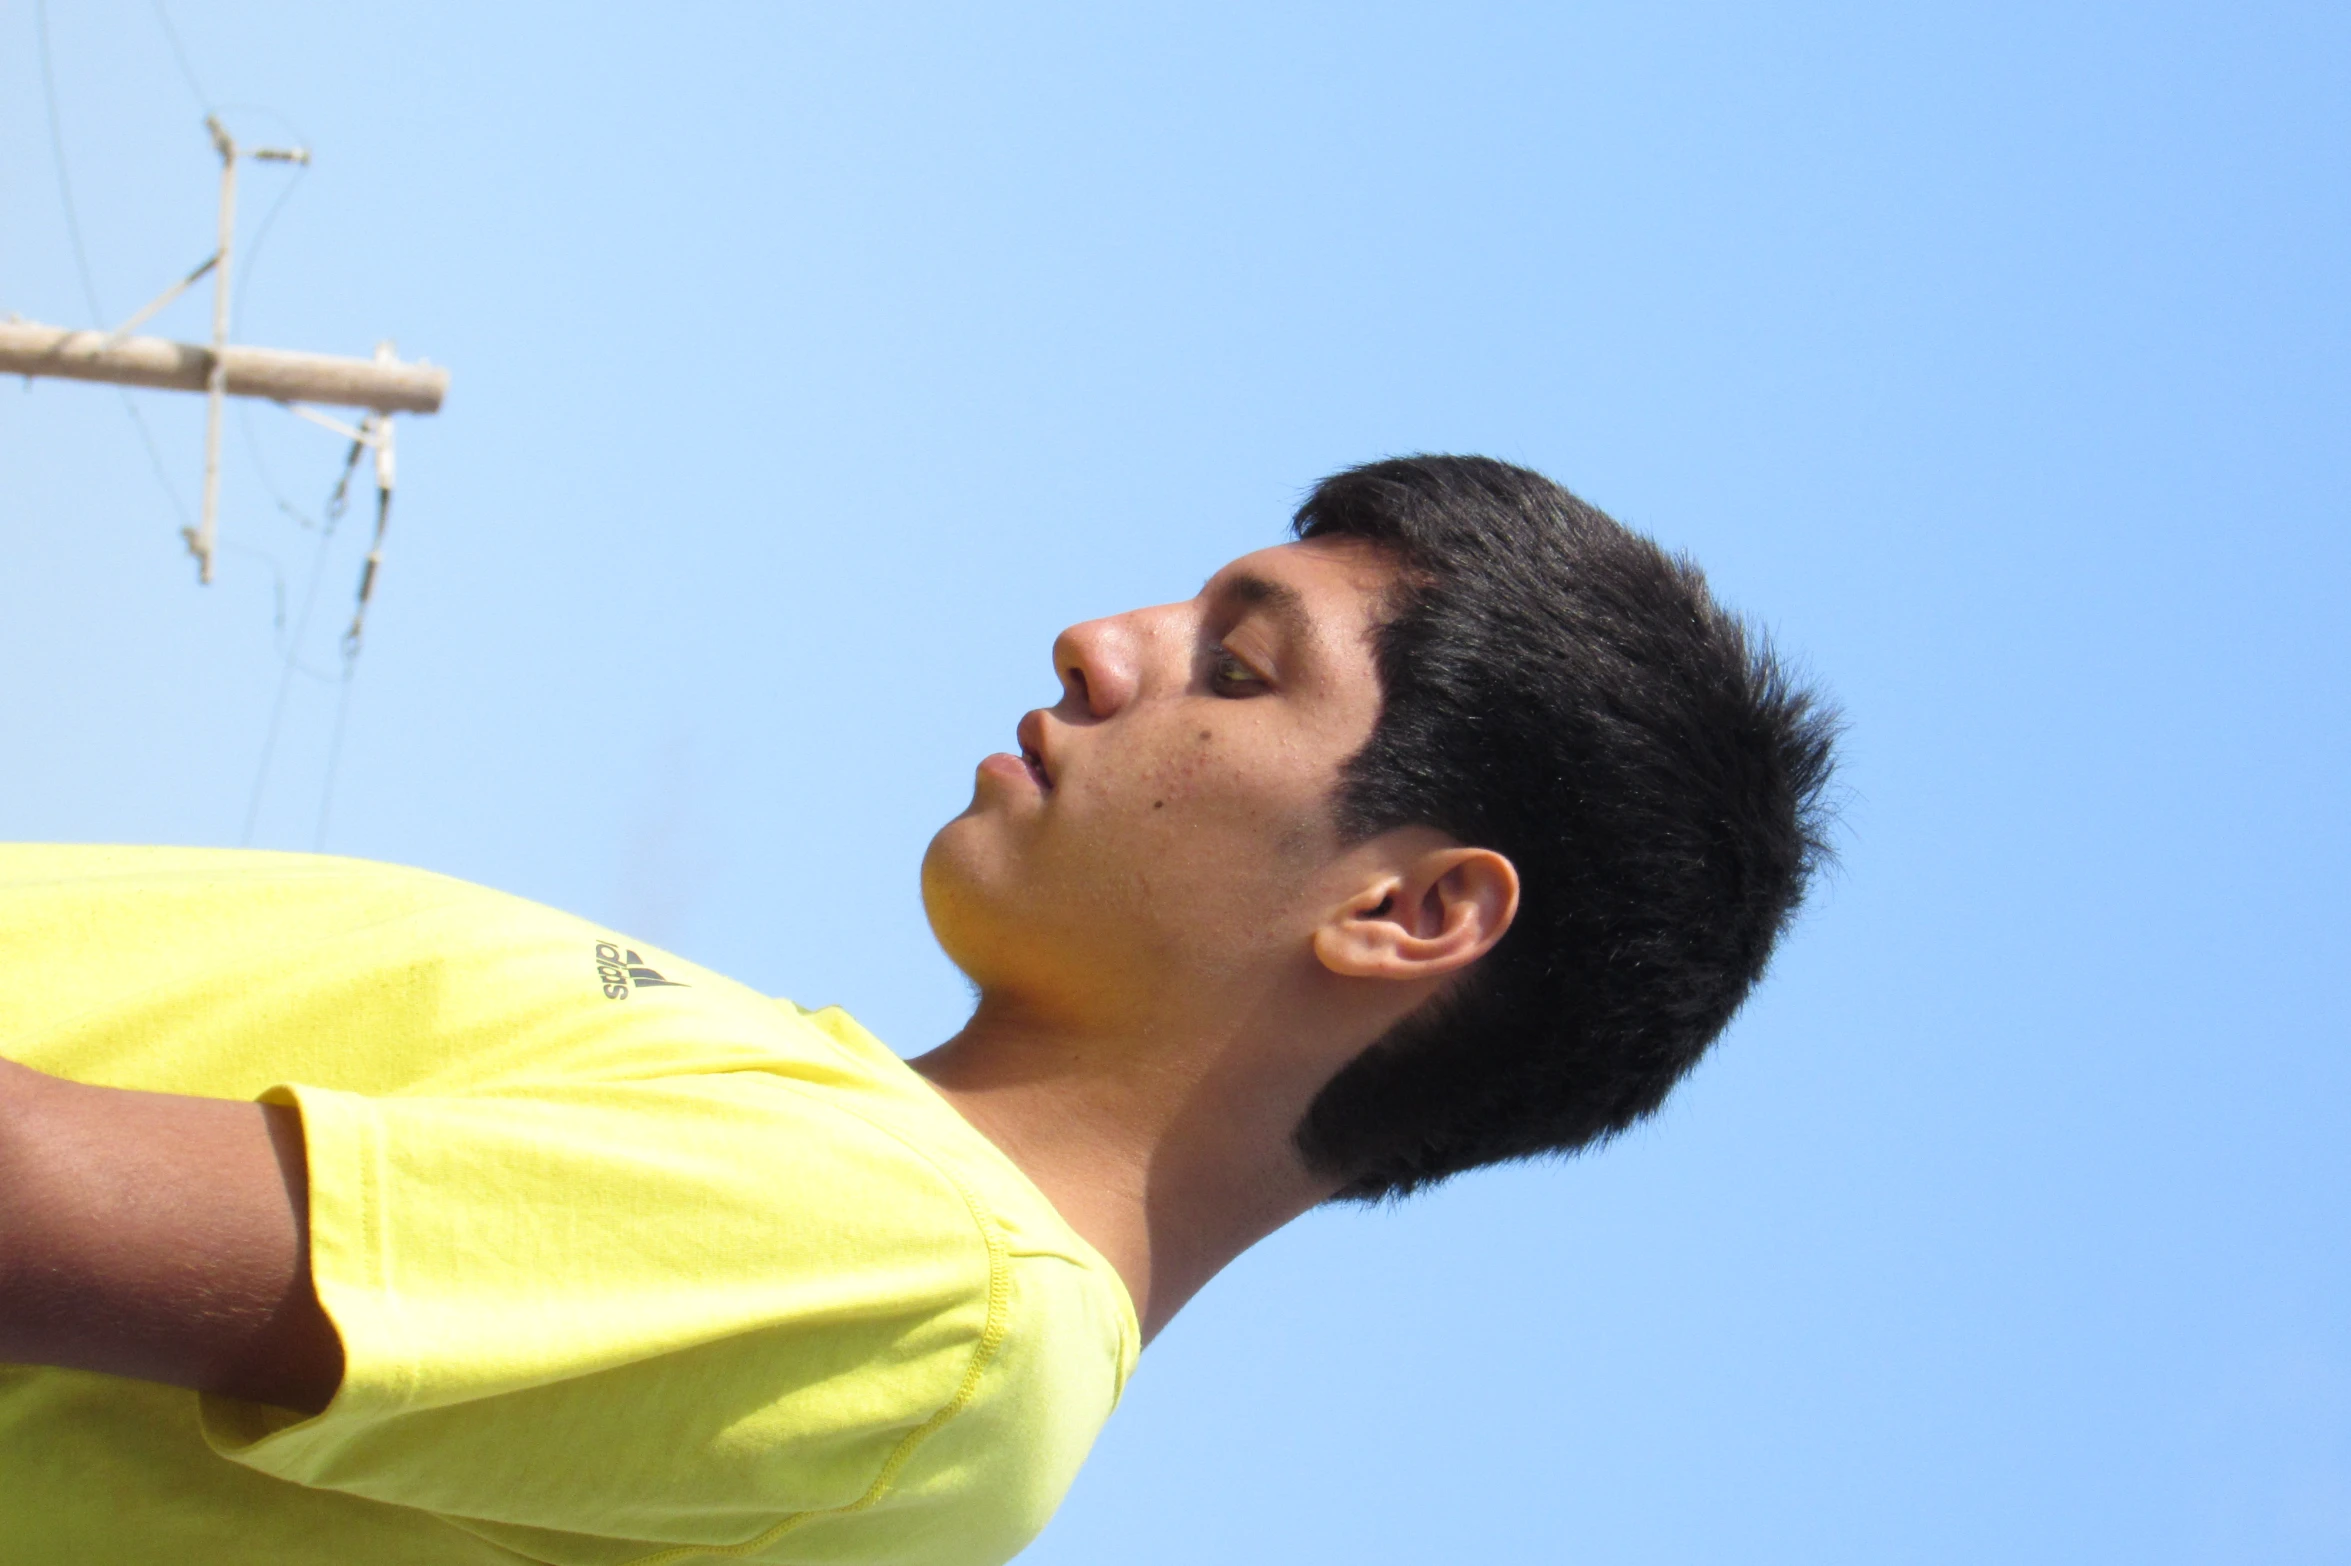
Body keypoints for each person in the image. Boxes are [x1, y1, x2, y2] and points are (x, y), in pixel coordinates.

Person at [0, 455, 1837, 1564]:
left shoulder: (936, 1292)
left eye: (1238, 664)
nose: (1100, 643)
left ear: (1407, 910)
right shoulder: (884, 1195)